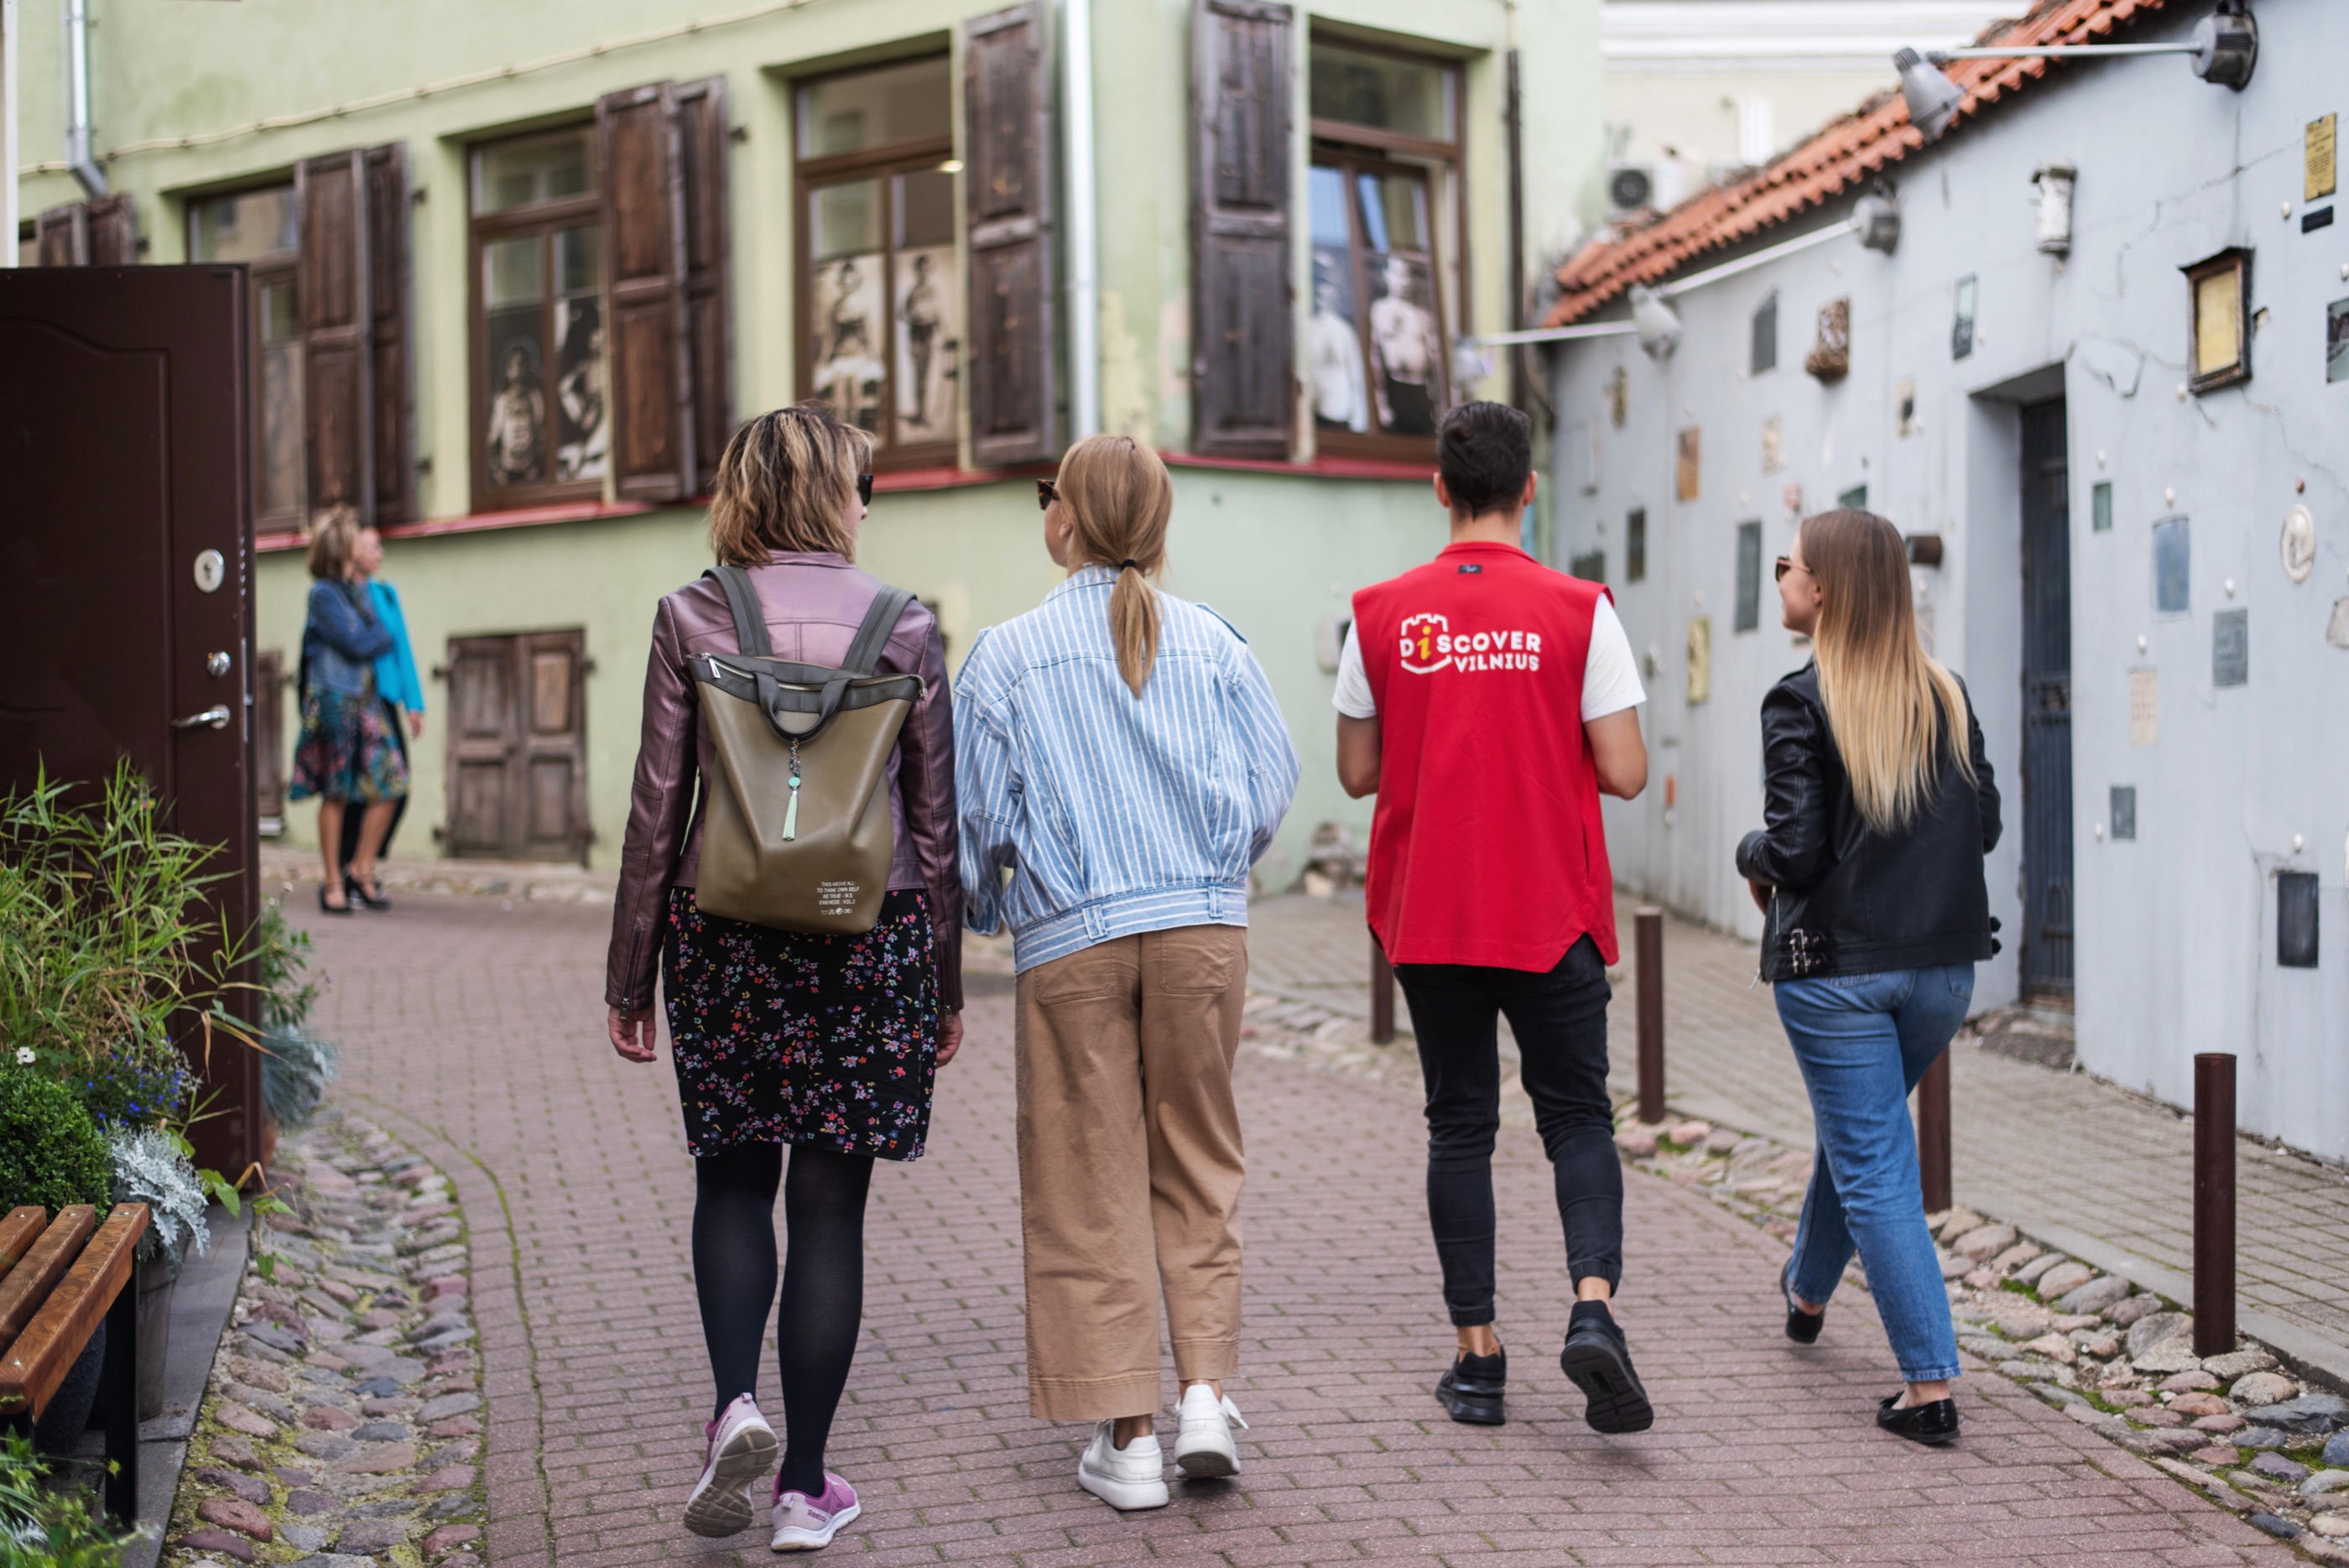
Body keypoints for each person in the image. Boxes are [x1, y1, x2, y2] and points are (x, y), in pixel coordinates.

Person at [603, 404, 963, 1551]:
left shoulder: (691, 614)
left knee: (730, 1180)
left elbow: (658, 806)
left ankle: (734, 1409)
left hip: (726, 932)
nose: (867, 505)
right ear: (830, 495)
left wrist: (630, 975)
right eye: (862, 485)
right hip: (873, 930)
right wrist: (946, 985)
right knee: (830, 1209)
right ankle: (805, 1489)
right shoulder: (908, 625)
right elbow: (935, 825)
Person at [954, 434, 1299, 1513]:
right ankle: (1204, 1396)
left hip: (1073, 941)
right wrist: (1210, 871)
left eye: (1046, 496)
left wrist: (988, 909)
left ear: (1064, 519)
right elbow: (1272, 783)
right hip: (1202, 933)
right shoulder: (1216, 642)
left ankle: (1129, 1438)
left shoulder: (1006, 657)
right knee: (1198, 1163)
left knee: (1085, 1182)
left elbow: (974, 821)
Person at [1334, 401, 1654, 1434]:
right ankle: (1592, 1309)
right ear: (1529, 489)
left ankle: (1477, 1362)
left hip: (1430, 915)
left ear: (1438, 488)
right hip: (1548, 911)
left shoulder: (1378, 613)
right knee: (1576, 1118)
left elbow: (1356, 773)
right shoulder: (1579, 610)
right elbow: (1625, 771)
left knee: (1459, 1125)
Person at [1735, 508, 2000, 1447]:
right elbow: (1984, 828)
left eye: (1787, 564)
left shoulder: (1798, 702)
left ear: (1823, 589)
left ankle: (1928, 1387)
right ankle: (1808, 1291)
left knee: (1875, 1165)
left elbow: (1795, 853)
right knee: (1862, 1135)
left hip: (1836, 973)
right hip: (1941, 976)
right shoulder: (1947, 695)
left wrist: (1746, 851)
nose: (1780, 577)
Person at [288, 508, 405, 917]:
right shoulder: (323, 595)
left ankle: (361, 868)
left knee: (392, 781)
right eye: (356, 537)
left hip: (363, 701)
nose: (363, 543)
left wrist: (369, 635)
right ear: (342, 546)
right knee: (336, 792)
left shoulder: (357, 590)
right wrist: (368, 636)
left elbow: (383, 636)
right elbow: (360, 643)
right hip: (333, 703)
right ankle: (332, 881)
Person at [334, 524, 425, 909]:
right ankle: (349, 870)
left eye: (380, 546)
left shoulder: (386, 594)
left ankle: (362, 865)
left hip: (383, 700)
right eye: (371, 546)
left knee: (394, 786)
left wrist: (413, 702)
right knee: (354, 791)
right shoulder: (336, 593)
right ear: (351, 549)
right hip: (351, 701)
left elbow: (400, 645)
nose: (379, 553)